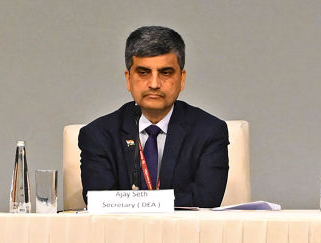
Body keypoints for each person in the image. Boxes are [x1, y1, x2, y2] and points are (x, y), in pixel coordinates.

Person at [78, 26, 229, 208]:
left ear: (182, 79)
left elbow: (206, 200)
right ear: (128, 79)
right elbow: (100, 202)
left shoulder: (209, 131)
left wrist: (133, 203)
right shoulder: (98, 135)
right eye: (143, 73)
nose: (154, 84)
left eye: (165, 73)